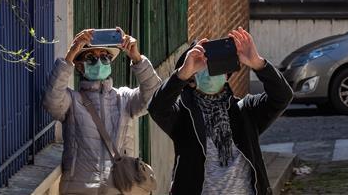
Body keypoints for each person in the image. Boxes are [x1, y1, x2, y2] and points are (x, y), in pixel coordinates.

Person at [148, 27, 292, 195]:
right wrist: (181, 75)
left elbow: (283, 97)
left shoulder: (245, 111)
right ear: (191, 80)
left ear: (226, 75)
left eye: (215, 65)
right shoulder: (183, 115)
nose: (211, 71)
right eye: (203, 66)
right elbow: (157, 108)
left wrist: (259, 64)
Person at [43, 27, 162, 195]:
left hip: (120, 187)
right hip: (79, 190)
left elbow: (154, 97)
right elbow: (52, 101)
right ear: (79, 66)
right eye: (91, 58)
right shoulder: (72, 101)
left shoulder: (124, 99)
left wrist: (137, 58)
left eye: (105, 57)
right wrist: (70, 55)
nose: (99, 63)